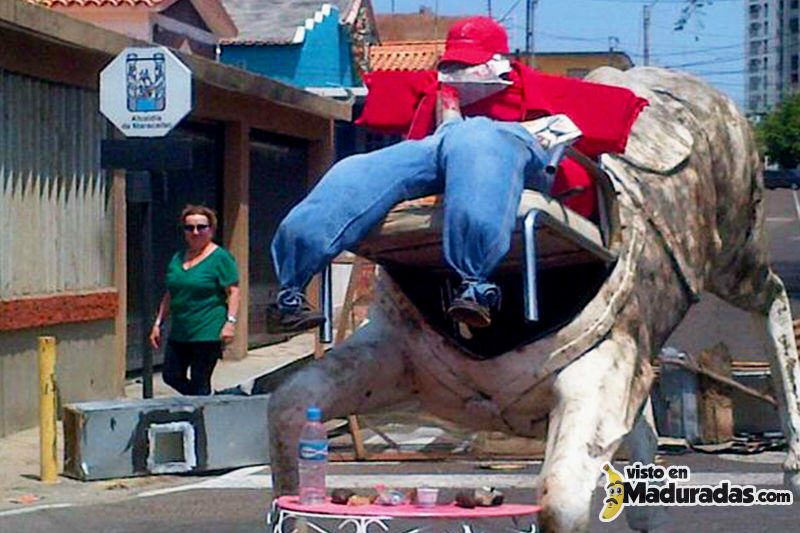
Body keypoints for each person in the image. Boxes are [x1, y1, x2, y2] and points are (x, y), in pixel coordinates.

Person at [266, 17, 647, 333]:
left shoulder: (537, 88)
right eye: (454, 63)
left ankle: (476, 284)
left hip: (509, 147)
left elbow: (613, 120)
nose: (460, 71)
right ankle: (291, 289)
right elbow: (383, 107)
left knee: (478, 141)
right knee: (358, 169)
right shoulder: (432, 92)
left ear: (498, 60)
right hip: (440, 145)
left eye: (470, 62)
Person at [150, 205, 240, 395]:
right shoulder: (178, 258)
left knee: (200, 378)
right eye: (189, 228)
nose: (195, 232)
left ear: (211, 229)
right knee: (171, 375)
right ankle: (208, 404)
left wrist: (230, 323)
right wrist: (158, 323)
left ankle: (201, 415)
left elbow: (233, 291)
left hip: (207, 330)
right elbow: (170, 293)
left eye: (201, 227)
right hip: (181, 331)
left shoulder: (220, 258)